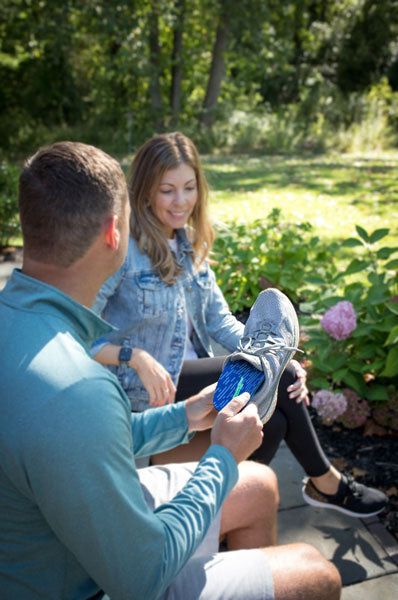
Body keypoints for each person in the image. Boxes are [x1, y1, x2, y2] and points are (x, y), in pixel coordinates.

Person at [0, 141, 342, 600]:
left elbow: (86, 440)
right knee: (315, 572)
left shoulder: (20, 324)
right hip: (86, 581)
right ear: (114, 232)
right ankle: (326, 485)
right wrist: (220, 458)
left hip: (56, 521)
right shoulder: (78, 387)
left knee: (260, 483)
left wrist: (185, 417)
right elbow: (141, 575)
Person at [92, 131, 388, 519]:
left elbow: (222, 323)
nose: (180, 201)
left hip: (192, 384)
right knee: (273, 380)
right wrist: (135, 357)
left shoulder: (189, 245)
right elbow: (79, 337)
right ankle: (326, 482)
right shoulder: (123, 252)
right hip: (145, 393)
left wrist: (279, 358)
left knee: (277, 419)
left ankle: (228, 516)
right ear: (145, 191)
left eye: (188, 187)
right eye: (167, 190)